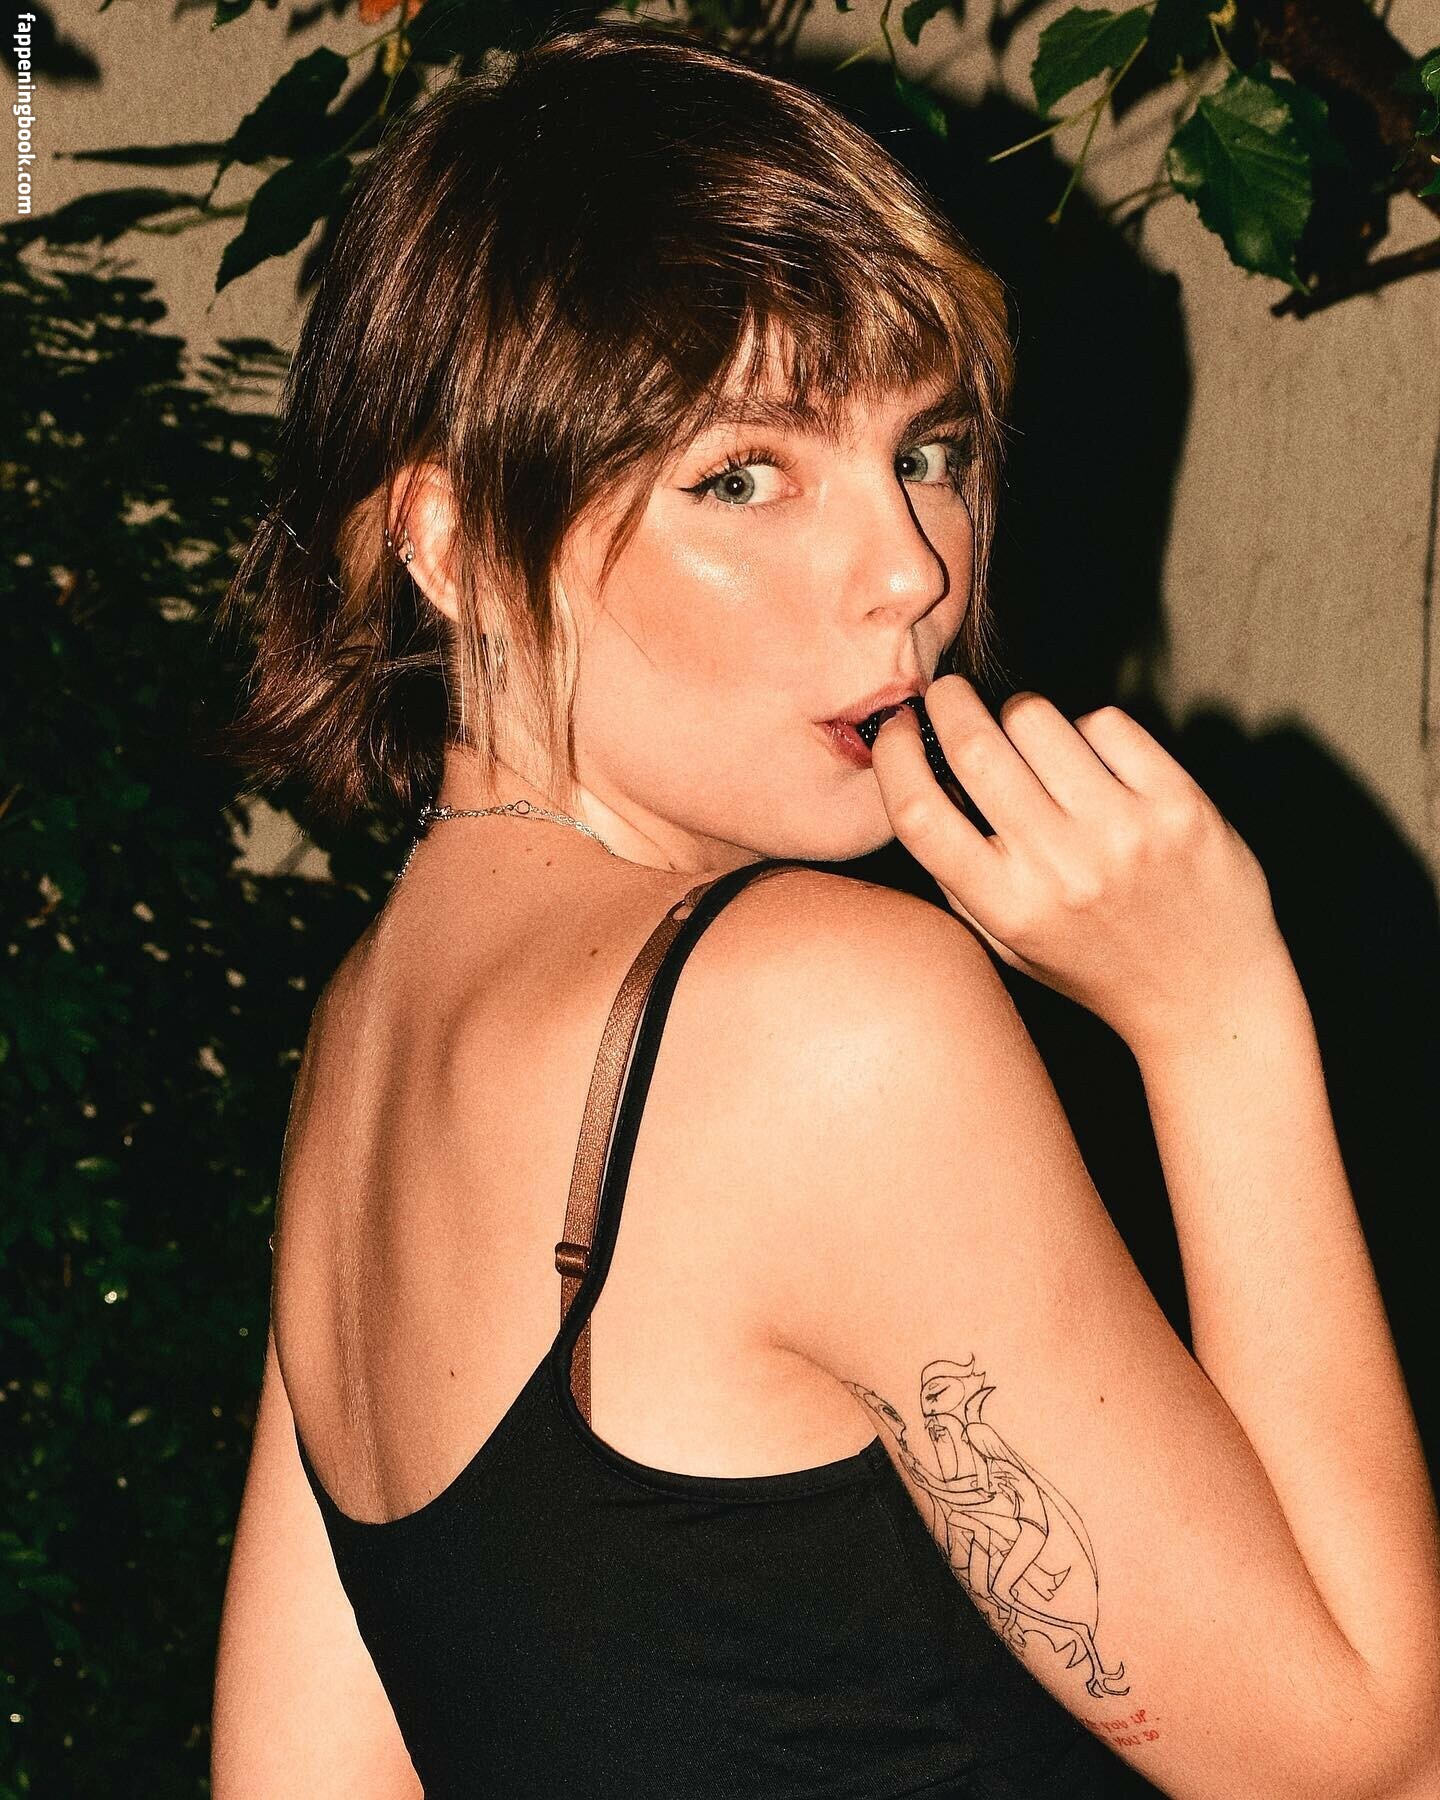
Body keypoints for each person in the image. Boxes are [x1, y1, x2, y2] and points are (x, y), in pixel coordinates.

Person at [207, 22, 1440, 1800]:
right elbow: (1372, 1766)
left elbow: (294, 1775)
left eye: (928, 452)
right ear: (453, 544)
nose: (910, 572)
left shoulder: (365, 1037)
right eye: (744, 476)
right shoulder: (821, 1014)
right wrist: (1220, 1022)